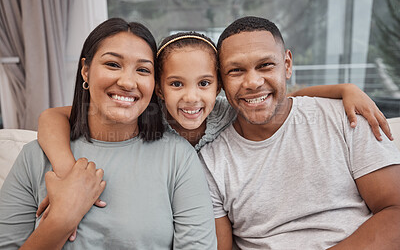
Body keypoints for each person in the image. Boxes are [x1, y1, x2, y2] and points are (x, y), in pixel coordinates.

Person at [35, 30, 393, 238]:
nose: (191, 98)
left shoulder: (225, 112)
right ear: (159, 88)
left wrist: (345, 89)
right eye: (176, 84)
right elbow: (53, 115)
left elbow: (280, 97)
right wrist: (68, 173)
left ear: (220, 87)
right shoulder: (146, 113)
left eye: (204, 84)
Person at [0, 18, 216, 249]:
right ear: (85, 70)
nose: (127, 82)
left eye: (143, 70)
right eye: (113, 64)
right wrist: (61, 219)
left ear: (155, 85)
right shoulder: (35, 157)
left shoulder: (178, 157)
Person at [199, 16, 400, 249]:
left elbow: (395, 211)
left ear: (287, 65)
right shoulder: (211, 161)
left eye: (265, 65)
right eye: (235, 70)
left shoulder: (346, 116)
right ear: (221, 81)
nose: (253, 82)